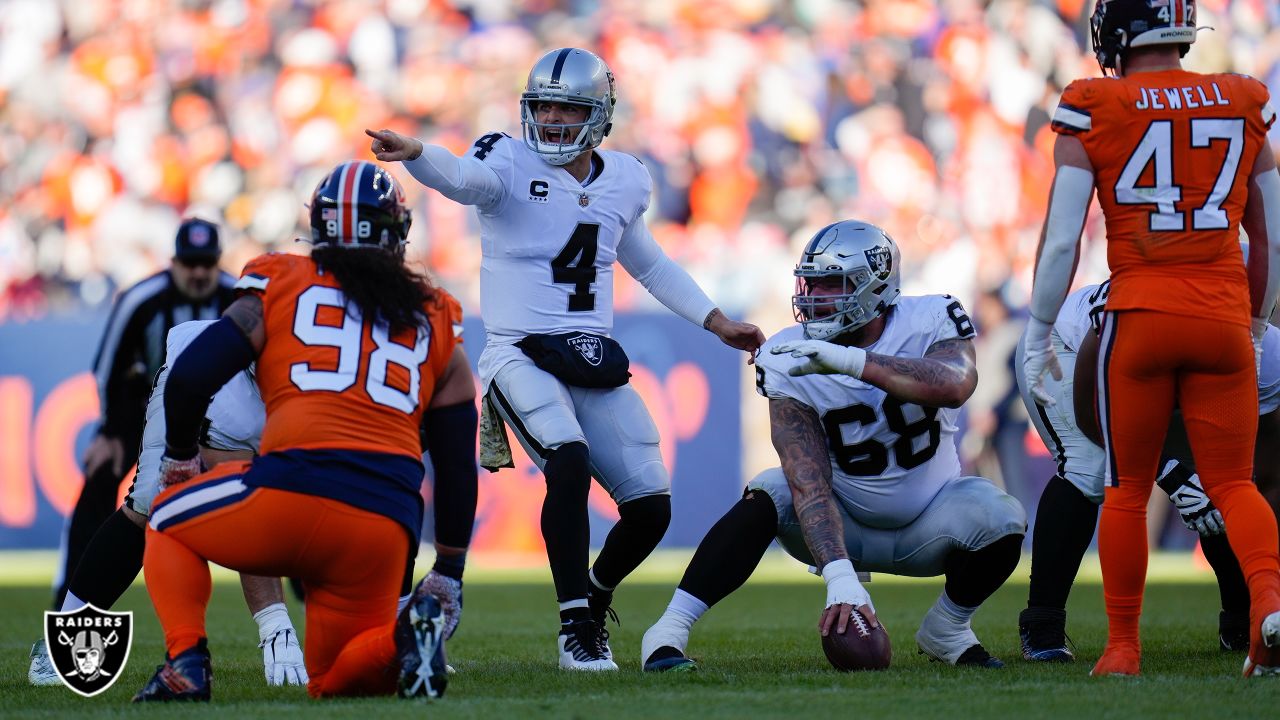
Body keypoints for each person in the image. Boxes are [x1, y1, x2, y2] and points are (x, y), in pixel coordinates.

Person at [366, 47, 763, 671]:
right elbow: (463, 179)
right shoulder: (506, 157)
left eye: (566, 107)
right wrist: (418, 155)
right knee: (569, 462)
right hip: (516, 353)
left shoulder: (626, 178)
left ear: (600, 115)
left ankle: (597, 594)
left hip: (588, 356)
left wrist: (716, 322)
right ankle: (574, 626)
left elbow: (649, 262)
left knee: (651, 506)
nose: (550, 119)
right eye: (542, 105)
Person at [133, 160, 468, 701]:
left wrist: (178, 457)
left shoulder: (279, 279)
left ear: (321, 225)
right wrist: (448, 567)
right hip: (382, 524)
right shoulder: (438, 313)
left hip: (290, 491)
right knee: (333, 681)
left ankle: (186, 663)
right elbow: (454, 461)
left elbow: (192, 373)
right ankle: (407, 638)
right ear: (398, 233)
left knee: (165, 513)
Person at [1022, 0, 1280, 677]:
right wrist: (1253, 322)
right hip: (1223, 315)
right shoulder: (1243, 98)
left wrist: (1039, 331)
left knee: (1126, 489)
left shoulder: (1092, 102)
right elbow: (1271, 241)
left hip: (1138, 314)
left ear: (1116, 32)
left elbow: (1060, 243)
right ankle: (1269, 612)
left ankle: (1122, 649)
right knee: (1235, 485)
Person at [640, 221, 1026, 671]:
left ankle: (948, 627)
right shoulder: (789, 354)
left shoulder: (930, 317)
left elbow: (956, 383)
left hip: (932, 519)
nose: (814, 297)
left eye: (833, 285)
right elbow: (807, 477)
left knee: (1001, 515)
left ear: (876, 287)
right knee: (772, 488)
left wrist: (849, 362)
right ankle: (668, 630)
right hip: (842, 522)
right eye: (811, 283)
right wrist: (839, 577)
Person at [30, 320, 307, 688]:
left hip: (263, 397)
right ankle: (62, 638)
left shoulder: (330, 384)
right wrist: (274, 623)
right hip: (196, 385)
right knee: (152, 505)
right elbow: (243, 499)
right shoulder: (232, 397)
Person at [1015, 281, 1280, 661]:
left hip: (1145, 374)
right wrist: (1172, 475)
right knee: (1087, 468)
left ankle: (1244, 620)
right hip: (1068, 353)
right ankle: (1042, 625)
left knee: (1226, 486)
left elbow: (1268, 477)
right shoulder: (1142, 320)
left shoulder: (1267, 357)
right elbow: (1094, 415)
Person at [57, 218, 237, 610]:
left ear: (218, 262)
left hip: (216, 410)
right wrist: (109, 431)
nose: (199, 273)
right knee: (101, 477)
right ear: (173, 262)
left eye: (207, 263)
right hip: (142, 408)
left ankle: (303, 588)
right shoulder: (143, 298)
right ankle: (71, 589)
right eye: (191, 263)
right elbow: (108, 368)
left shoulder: (238, 296)